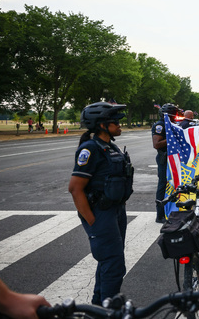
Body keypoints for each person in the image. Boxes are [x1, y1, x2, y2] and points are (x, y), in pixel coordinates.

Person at [69, 101, 133, 305]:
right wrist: (92, 221)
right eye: (115, 122)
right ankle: (109, 310)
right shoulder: (90, 149)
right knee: (114, 265)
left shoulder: (109, 146)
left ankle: (98, 308)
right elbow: (75, 188)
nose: (120, 125)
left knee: (108, 262)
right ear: (102, 125)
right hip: (101, 214)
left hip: (115, 212)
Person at [152, 103, 182, 223]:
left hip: (172, 158)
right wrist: (172, 137)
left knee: (173, 185)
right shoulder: (160, 125)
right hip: (164, 159)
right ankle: (160, 215)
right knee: (163, 185)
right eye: (173, 114)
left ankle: (171, 211)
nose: (175, 116)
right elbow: (156, 144)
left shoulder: (169, 124)